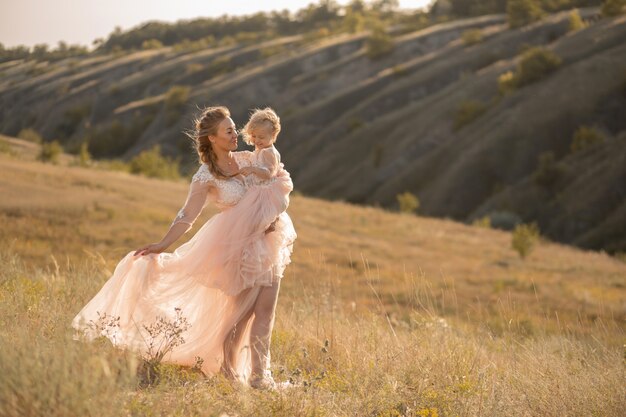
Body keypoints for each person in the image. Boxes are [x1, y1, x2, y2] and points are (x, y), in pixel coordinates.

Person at [71, 106, 296, 390]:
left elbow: (271, 184)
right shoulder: (206, 176)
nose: (236, 134)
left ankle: (260, 377)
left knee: (266, 310)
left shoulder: (247, 158)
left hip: (268, 241)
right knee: (239, 315)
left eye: (233, 128)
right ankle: (229, 374)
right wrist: (162, 244)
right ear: (212, 138)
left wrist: (273, 217)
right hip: (236, 248)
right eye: (228, 131)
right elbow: (187, 216)